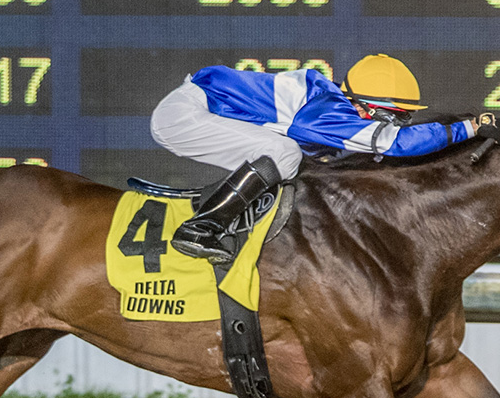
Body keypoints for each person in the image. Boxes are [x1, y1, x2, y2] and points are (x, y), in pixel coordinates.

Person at [150, 54, 480, 263]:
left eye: (402, 118)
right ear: (364, 105)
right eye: (392, 116)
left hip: (199, 106)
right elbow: (399, 144)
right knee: (283, 153)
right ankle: (198, 229)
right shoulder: (327, 110)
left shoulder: (332, 104)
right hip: (182, 116)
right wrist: (471, 127)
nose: (396, 124)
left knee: (294, 157)